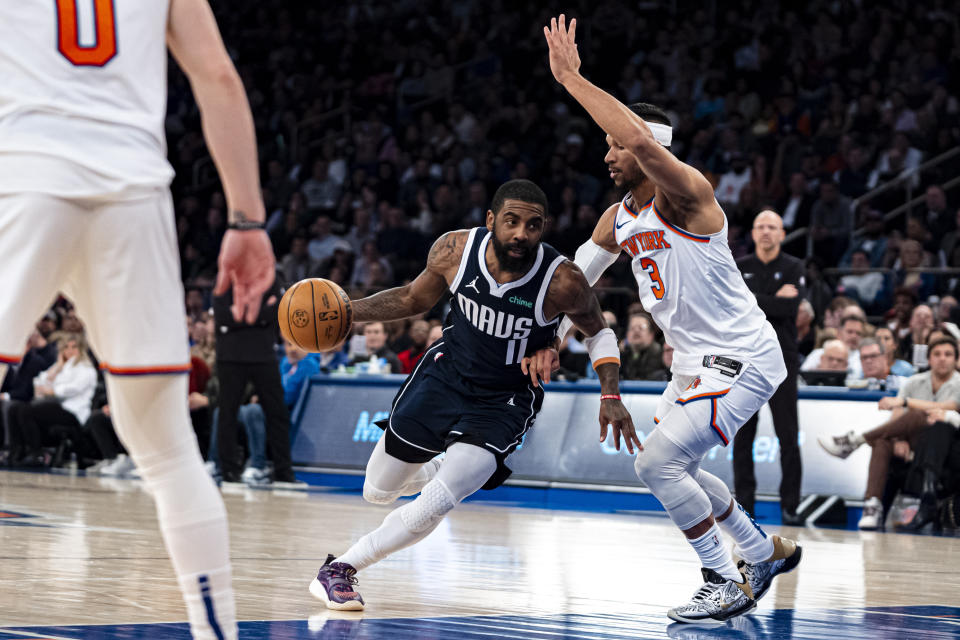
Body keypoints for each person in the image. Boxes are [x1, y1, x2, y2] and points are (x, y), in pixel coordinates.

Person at [0, 2, 278, 636]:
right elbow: (219, 79)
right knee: (169, 450)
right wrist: (248, 219)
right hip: (135, 192)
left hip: (23, 176)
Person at [534, 16, 800, 624]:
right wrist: (547, 337)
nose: (608, 153)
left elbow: (646, 144)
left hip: (742, 355)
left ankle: (722, 576)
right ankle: (762, 553)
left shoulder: (687, 194)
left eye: (617, 144)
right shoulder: (617, 218)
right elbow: (575, 283)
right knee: (676, 465)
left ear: (646, 146)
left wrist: (572, 79)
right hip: (694, 361)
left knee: (656, 465)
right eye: (606, 145)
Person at [308, 179, 635, 612]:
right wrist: (350, 311)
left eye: (533, 226)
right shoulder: (454, 251)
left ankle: (341, 568)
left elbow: (600, 333)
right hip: (444, 378)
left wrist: (609, 395)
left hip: (504, 399)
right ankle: (443, 465)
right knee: (378, 491)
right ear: (491, 221)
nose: (521, 233)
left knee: (440, 500)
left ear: (544, 229)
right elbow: (412, 297)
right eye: (512, 221)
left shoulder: (563, 281)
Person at [819, 336, 960, 529]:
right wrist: (898, 438)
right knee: (883, 442)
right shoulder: (913, 382)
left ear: (955, 359)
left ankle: (855, 440)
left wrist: (905, 402)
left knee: (921, 414)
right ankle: (872, 505)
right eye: (937, 354)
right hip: (913, 443)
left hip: (946, 451)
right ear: (928, 359)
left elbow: (949, 406)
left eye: (948, 354)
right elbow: (897, 417)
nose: (942, 358)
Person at [735, 210, 804, 524]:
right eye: (760, 226)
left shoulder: (794, 266)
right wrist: (770, 300)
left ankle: (790, 506)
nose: (765, 232)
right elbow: (734, 308)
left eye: (772, 227)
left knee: (788, 435)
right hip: (746, 358)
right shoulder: (740, 267)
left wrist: (754, 300)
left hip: (783, 357)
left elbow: (789, 307)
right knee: (743, 436)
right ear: (752, 232)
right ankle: (744, 506)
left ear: (782, 233)